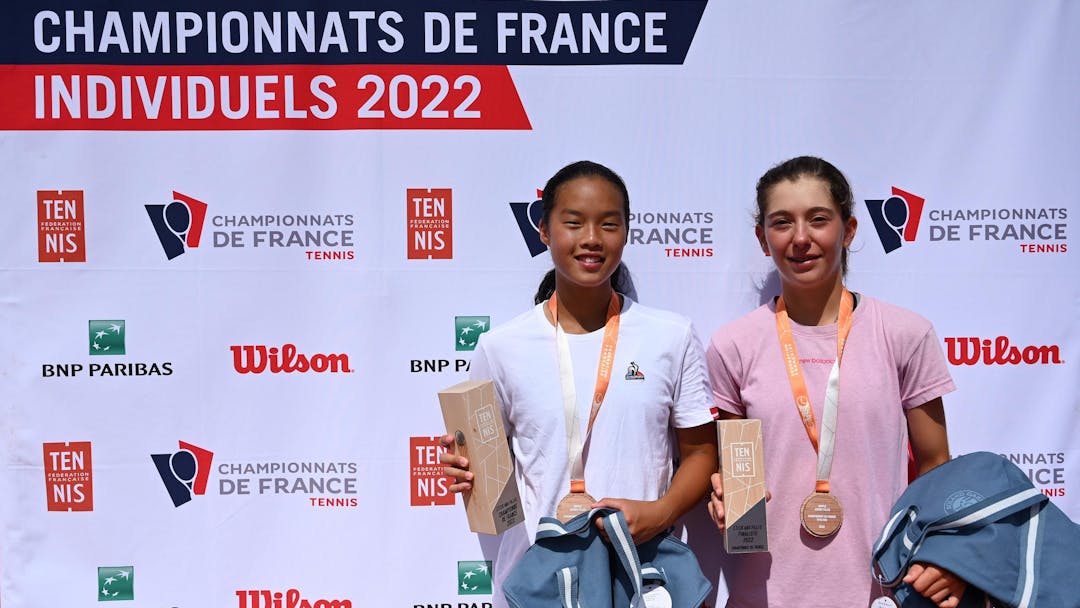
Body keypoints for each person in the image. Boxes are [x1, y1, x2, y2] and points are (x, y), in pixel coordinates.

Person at [440, 160, 718, 606]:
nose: (591, 238)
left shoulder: (671, 335)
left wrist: (660, 512)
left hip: (642, 577)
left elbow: (702, 452)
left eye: (608, 224)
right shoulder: (502, 347)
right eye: (573, 223)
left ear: (626, 232)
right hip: (541, 583)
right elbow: (487, 469)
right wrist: (467, 469)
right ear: (544, 231)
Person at [705, 156, 967, 608]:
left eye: (818, 219)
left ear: (848, 230)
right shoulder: (734, 344)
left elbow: (936, 466)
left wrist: (939, 560)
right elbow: (736, 472)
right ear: (763, 239)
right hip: (764, 597)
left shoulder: (905, 333)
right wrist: (725, 498)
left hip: (881, 593)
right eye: (782, 222)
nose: (800, 238)